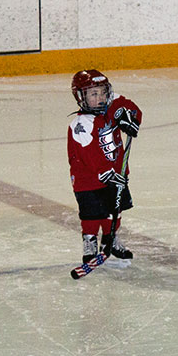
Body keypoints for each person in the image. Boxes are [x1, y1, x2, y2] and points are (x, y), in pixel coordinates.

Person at [67, 69, 142, 267]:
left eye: (102, 92)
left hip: (116, 173)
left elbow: (131, 108)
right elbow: (89, 156)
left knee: (115, 209)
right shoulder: (80, 125)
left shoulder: (112, 102)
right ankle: (90, 241)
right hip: (88, 180)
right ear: (81, 97)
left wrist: (131, 119)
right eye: (93, 94)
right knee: (91, 213)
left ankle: (111, 238)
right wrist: (106, 174)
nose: (100, 98)